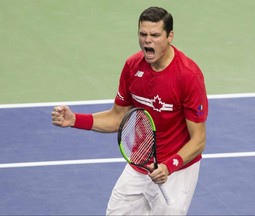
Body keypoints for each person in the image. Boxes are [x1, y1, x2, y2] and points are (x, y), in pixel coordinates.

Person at [52, 6, 208, 215]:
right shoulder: (133, 66)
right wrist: (74, 120)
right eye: (142, 34)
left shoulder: (188, 75)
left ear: (170, 36)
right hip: (141, 162)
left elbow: (198, 140)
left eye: (155, 35)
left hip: (176, 171)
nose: (147, 40)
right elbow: (118, 117)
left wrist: (169, 166)